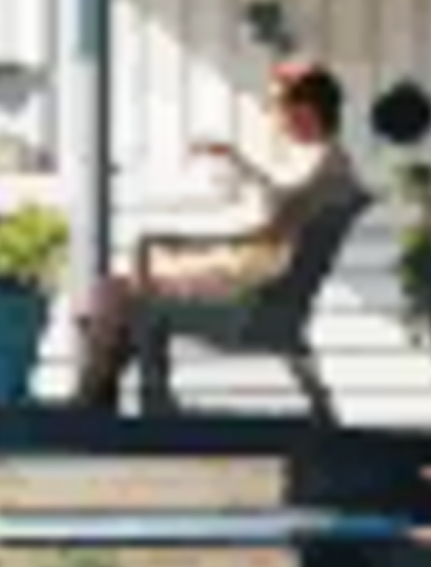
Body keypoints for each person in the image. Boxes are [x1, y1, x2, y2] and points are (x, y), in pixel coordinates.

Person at [69, 59, 363, 413]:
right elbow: (280, 211)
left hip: (250, 303)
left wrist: (172, 247)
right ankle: (102, 403)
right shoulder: (331, 167)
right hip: (265, 294)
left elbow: (267, 228)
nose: (273, 116)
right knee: (117, 297)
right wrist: (238, 163)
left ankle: (108, 407)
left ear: (303, 111)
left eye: (276, 106)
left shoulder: (322, 167)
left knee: (120, 295)